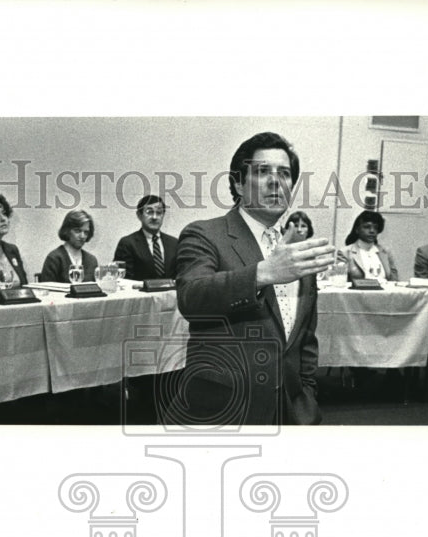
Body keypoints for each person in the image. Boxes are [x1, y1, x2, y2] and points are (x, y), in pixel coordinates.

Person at [174, 131, 335, 426]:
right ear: (238, 183)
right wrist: (264, 273)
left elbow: (305, 342)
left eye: (285, 174)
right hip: (227, 410)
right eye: (263, 172)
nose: (276, 181)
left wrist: (306, 397)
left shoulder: (297, 250)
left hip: (292, 413)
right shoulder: (205, 234)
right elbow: (192, 298)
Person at [112, 195, 178, 280]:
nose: (154, 217)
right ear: (139, 215)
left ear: (163, 215)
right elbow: (123, 280)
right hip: (139, 293)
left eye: (159, 213)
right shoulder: (127, 243)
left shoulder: (174, 243)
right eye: (149, 212)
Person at [40, 209, 98, 283]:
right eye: (77, 231)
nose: (82, 236)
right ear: (67, 231)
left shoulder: (91, 260)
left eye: (86, 232)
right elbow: (46, 290)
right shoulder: (54, 258)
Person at [343, 210, 399, 281]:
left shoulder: (385, 252)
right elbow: (340, 280)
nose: (372, 231)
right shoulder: (345, 252)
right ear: (357, 230)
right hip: (359, 291)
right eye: (367, 227)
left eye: (375, 227)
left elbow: (394, 280)